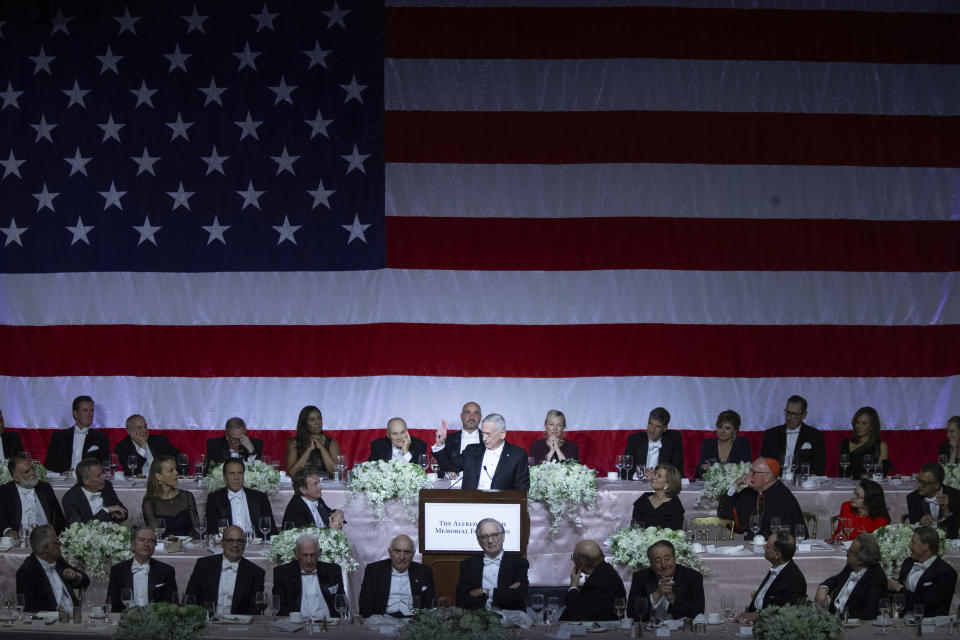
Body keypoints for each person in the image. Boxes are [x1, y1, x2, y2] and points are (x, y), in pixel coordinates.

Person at [717, 457, 808, 539]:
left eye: (754, 472)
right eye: (750, 470)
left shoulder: (781, 496)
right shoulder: (750, 492)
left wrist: (756, 537)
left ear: (767, 477)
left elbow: (783, 532)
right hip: (752, 543)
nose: (749, 475)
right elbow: (724, 514)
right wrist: (735, 484)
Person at [184, 525, 265, 615]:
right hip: (207, 622)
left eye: (239, 541)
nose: (235, 545)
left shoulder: (255, 572)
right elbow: (190, 598)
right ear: (222, 543)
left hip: (240, 625)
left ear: (245, 544)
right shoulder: (203, 565)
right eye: (230, 540)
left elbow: (254, 609)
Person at [455, 518, 528, 610]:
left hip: (511, 620)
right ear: (478, 541)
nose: (490, 541)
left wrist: (484, 591)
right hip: (477, 619)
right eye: (484, 537)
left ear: (503, 536)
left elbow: (518, 596)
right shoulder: (468, 565)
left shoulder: (519, 563)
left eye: (494, 535)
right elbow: (461, 600)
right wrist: (504, 593)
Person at [16, 525, 90, 613]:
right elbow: (29, 608)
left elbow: (86, 582)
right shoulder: (27, 571)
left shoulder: (58, 560)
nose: (60, 544)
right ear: (46, 548)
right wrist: (54, 611)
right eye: (57, 541)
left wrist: (76, 577)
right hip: (52, 624)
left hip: (74, 616)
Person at [887, 526, 957, 616]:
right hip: (903, 621)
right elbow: (900, 594)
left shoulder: (946, 573)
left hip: (930, 626)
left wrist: (898, 587)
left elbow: (923, 603)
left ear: (925, 546)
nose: (909, 545)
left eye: (913, 542)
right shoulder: (908, 563)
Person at [359, 534, 435, 617]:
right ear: (390, 552)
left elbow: (429, 607)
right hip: (382, 622)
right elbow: (364, 607)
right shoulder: (374, 570)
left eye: (407, 552)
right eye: (397, 551)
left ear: (413, 555)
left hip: (413, 623)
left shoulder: (424, 572)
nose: (402, 557)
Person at [626, 540, 704, 621]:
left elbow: (698, 614)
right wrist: (657, 594)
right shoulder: (640, 577)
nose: (663, 565)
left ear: (674, 558)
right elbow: (631, 614)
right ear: (651, 563)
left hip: (681, 630)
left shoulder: (693, 577)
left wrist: (672, 598)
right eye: (657, 561)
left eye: (667, 558)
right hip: (649, 630)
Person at [814, 534, 886, 619]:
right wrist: (823, 588)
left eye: (851, 551)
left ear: (861, 560)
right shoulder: (851, 567)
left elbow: (870, 613)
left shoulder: (876, 577)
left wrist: (838, 618)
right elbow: (835, 579)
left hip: (854, 627)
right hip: (833, 619)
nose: (847, 552)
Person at [273, 533, 345, 617]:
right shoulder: (282, 573)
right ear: (295, 553)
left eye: (312, 555)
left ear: (319, 553)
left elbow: (341, 602)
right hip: (296, 625)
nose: (309, 561)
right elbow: (279, 608)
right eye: (304, 555)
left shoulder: (333, 571)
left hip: (329, 624)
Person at [740, 531, 807, 622]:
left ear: (777, 555)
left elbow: (787, 614)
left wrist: (757, 616)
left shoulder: (794, 580)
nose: (763, 547)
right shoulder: (778, 567)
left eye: (767, 546)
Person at [107, 526, 178, 611]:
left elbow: (171, 604)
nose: (146, 544)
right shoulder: (118, 570)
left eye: (151, 541)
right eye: (142, 540)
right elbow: (112, 603)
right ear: (133, 544)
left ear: (155, 546)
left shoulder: (166, 571)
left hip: (155, 621)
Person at [205, 459, 277, 536]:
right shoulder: (214, 499)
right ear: (224, 477)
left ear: (243, 475)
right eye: (231, 473)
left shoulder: (260, 497)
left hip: (256, 544)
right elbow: (212, 531)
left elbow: (271, 529)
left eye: (240, 473)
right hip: (227, 545)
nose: (236, 477)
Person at [559, 539, 626, 621]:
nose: (574, 561)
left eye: (574, 557)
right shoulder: (605, 570)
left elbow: (577, 614)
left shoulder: (598, 582)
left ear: (581, 561)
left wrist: (573, 586)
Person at [0, 454, 65, 537]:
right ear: (16, 477)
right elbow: (1, 517)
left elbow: (59, 517)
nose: (33, 473)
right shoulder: (5, 492)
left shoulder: (45, 488)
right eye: (27, 471)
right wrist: (7, 531)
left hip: (46, 539)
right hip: (19, 540)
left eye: (32, 468)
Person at [760, 395, 826, 476]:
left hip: (803, 484)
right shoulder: (770, 435)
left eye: (794, 414)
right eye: (787, 412)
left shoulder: (815, 436)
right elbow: (763, 465)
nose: (789, 418)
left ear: (804, 415)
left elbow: (819, 468)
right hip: (775, 483)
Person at [460, 414, 530, 490]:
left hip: (503, 501)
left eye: (488, 434)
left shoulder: (517, 455)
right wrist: (444, 442)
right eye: (482, 433)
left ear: (502, 434)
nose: (484, 438)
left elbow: (522, 489)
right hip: (471, 500)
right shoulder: (471, 451)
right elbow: (449, 464)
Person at [44, 395, 110, 473]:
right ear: (75, 413)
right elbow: (49, 464)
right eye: (85, 410)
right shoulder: (59, 436)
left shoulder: (101, 438)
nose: (90, 414)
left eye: (92, 410)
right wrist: (62, 473)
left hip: (89, 481)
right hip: (63, 481)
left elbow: (104, 464)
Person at [142, 455, 199, 536]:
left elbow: (197, 531)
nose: (176, 473)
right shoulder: (150, 503)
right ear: (159, 476)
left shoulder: (187, 497)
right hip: (162, 547)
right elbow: (155, 536)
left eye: (175, 469)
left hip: (187, 546)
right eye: (171, 471)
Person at [61, 458, 128, 525]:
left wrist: (118, 515)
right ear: (86, 481)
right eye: (98, 475)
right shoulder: (70, 499)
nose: (103, 477)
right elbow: (79, 528)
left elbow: (121, 508)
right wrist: (106, 510)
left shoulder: (106, 486)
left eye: (102, 473)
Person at [623, 407, 683, 480]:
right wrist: (640, 474)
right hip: (638, 486)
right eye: (650, 424)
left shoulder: (674, 439)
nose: (652, 430)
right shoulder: (635, 439)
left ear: (665, 428)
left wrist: (660, 475)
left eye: (657, 427)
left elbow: (678, 471)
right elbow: (624, 471)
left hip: (663, 487)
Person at [113, 414, 181, 476]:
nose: (144, 430)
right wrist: (142, 448)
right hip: (138, 487)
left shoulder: (160, 441)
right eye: (139, 428)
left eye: (145, 426)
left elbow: (180, 460)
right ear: (129, 431)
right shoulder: (121, 448)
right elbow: (131, 471)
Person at [280, 464, 345, 530]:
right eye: (315, 484)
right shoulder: (296, 510)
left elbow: (328, 513)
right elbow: (307, 538)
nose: (320, 487)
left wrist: (339, 512)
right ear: (303, 489)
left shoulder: (316, 499)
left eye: (319, 482)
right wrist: (332, 530)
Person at [906, 462, 960, 539]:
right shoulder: (913, 498)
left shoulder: (955, 495)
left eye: (924, 483)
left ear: (937, 485)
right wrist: (920, 523)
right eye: (919, 480)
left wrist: (947, 512)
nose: (919, 485)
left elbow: (954, 531)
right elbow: (914, 527)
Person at [695, 410, 752, 479]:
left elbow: (744, 471)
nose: (722, 431)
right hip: (711, 487)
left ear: (735, 430)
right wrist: (730, 469)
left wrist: (713, 469)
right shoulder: (708, 443)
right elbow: (702, 472)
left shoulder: (742, 443)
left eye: (727, 428)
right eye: (720, 427)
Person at [286, 405, 341, 477]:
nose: (317, 422)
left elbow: (334, 471)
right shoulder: (294, 443)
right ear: (304, 423)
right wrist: (309, 449)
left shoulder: (332, 443)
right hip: (303, 486)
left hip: (327, 486)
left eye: (319, 418)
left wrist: (321, 448)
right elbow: (292, 472)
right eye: (312, 419)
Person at [432, 401, 483, 476]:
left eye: (476, 413)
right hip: (453, 486)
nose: (471, 417)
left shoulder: (489, 440)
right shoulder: (448, 440)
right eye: (467, 412)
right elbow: (442, 467)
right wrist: (440, 444)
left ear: (480, 416)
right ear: (461, 416)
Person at [839, 406, 891, 478]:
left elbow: (879, 474)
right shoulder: (845, 443)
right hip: (845, 486)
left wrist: (857, 476)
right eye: (857, 422)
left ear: (872, 426)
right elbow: (842, 472)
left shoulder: (881, 446)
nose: (859, 426)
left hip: (868, 487)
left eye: (864, 423)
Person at [631, 464, 684, 530]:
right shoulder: (643, 500)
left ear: (668, 483)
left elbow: (675, 534)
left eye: (659, 476)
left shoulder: (674, 506)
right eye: (654, 474)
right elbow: (634, 527)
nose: (653, 477)